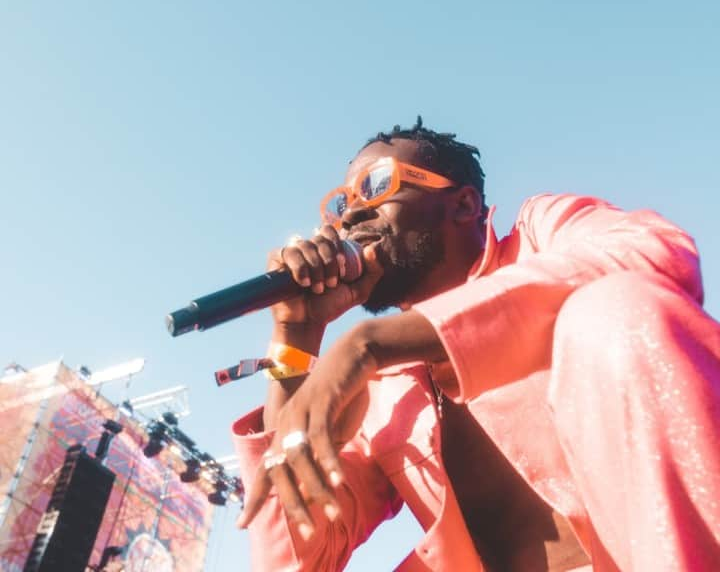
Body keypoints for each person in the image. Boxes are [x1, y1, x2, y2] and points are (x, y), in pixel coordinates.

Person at [232, 118, 720, 571]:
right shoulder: (378, 391)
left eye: (377, 185)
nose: (353, 211)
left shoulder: (541, 234)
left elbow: (654, 254)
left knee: (614, 308)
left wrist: (372, 343)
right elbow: (299, 558)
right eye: (341, 204)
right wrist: (295, 338)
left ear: (462, 205)